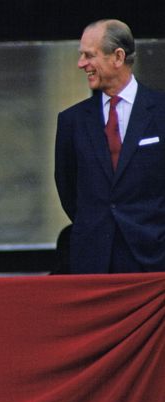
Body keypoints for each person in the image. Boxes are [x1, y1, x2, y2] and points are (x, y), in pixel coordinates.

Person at [55, 19, 165, 274]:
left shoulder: (161, 112)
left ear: (118, 57)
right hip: (93, 261)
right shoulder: (72, 121)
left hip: (154, 259)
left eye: (89, 55)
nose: (81, 64)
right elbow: (68, 190)